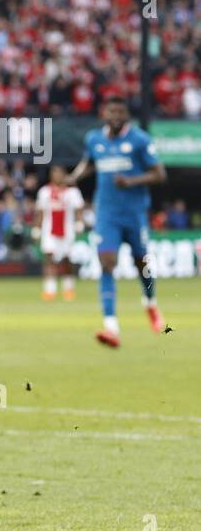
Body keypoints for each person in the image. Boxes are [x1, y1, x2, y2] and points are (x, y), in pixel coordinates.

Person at [68, 97, 167, 347]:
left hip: (134, 213)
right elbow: (89, 163)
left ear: (126, 116)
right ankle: (111, 325)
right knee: (107, 263)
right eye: (111, 111)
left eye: (120, 112)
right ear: (104, 113)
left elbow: (159, 174)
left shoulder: (140, 140)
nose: (115, 116)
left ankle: (150, 303)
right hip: (107, 214)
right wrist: (74, 177)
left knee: (141, 263)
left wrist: (131, 181)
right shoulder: (94, 139)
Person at [33, 165, 84, 300]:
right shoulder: (44, 191)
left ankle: (68, 288)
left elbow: (79, 209)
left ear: (64, 175)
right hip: (49, 230)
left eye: (59, 173)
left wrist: (79, 223)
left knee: (66, 260)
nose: (56, 176)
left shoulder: (72, 192)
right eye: (54, 173)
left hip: (67, 230)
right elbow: (40, 211)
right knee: (49, 258)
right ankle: (50, 290)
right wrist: (37, 228)